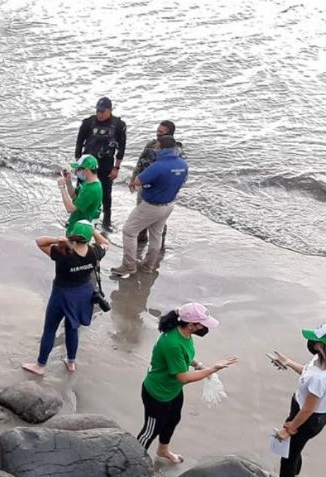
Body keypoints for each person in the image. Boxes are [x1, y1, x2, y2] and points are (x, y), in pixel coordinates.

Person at [136, 303, 238, 464]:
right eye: (203, 324)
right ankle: (133, 461)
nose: (205, 328)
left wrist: (199, 366)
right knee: (151, 430)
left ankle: (163, 450)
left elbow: (185, 357)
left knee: (172, 419)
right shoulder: (172, 343)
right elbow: (183, 378)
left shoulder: (184, 334)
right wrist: (212, 369)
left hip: (173, 390)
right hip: (157, 393)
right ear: (191, 325)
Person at [22, 220, 110, 376]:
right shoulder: (95, 252)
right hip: (83, 294)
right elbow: (105, 243)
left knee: (50, 329)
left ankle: (40, 365)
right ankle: (71, 362)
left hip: (62, 295)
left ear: (72, 235)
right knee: (72, 328)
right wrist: (93, 231)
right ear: (89, 237)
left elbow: (40, 242)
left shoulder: (63, 253)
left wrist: (59, 240)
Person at [112, 135, 187, 277]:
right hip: (169, 204)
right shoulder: (183, 164)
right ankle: (148, 266)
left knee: (129, 231)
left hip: (152, 205)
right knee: (156, 235)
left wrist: (135, 183)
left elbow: (138, 181)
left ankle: (129, 266)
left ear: (160, 147)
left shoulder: (158, 166)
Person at [272, 323, 326, 477]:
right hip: (302, 410)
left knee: (288, 454)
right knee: (295, 448)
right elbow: (306, 371)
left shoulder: (320, 378)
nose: (311, 343)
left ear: (322, 346)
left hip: (308, 418)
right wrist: (288, 362)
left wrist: (289, 429)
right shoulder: (319, 360)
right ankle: (295, 472)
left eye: (315, 341)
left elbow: (308, 409)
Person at [74, 97, 127, 231]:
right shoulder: (88, 122)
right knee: (82, 190)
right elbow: (79, 143)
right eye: (98, 111)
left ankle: (106, 221)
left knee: (105, 194)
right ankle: (78, 216)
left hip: (106, 164)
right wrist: (78, 163)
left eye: (103, 111)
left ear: (110, 110)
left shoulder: (119, 125)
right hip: (87, 163)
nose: (100, 114)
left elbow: (121, 148)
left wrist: (116, 167)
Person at [131, 120, 185, 245]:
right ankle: (141, 239)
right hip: (144, 183)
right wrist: (134, 178)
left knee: (159, 219)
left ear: (169, 134)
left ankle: (160, 244)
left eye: (161, 132)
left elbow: (180, 169)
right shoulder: (151, 144)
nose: (157, 134)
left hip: (162, 188)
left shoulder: (176, 149)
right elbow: (141, 161)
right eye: (157, 131)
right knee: (140, 212)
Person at [59, 154, 102, 230]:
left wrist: (62, 188)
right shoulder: (87, 182)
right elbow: (73, 195)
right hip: (76, 223)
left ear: (86, 170)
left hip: (80, 230)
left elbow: (70, 208)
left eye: (78, 169)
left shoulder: (92, 189)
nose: (76, 171)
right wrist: (68, 182)